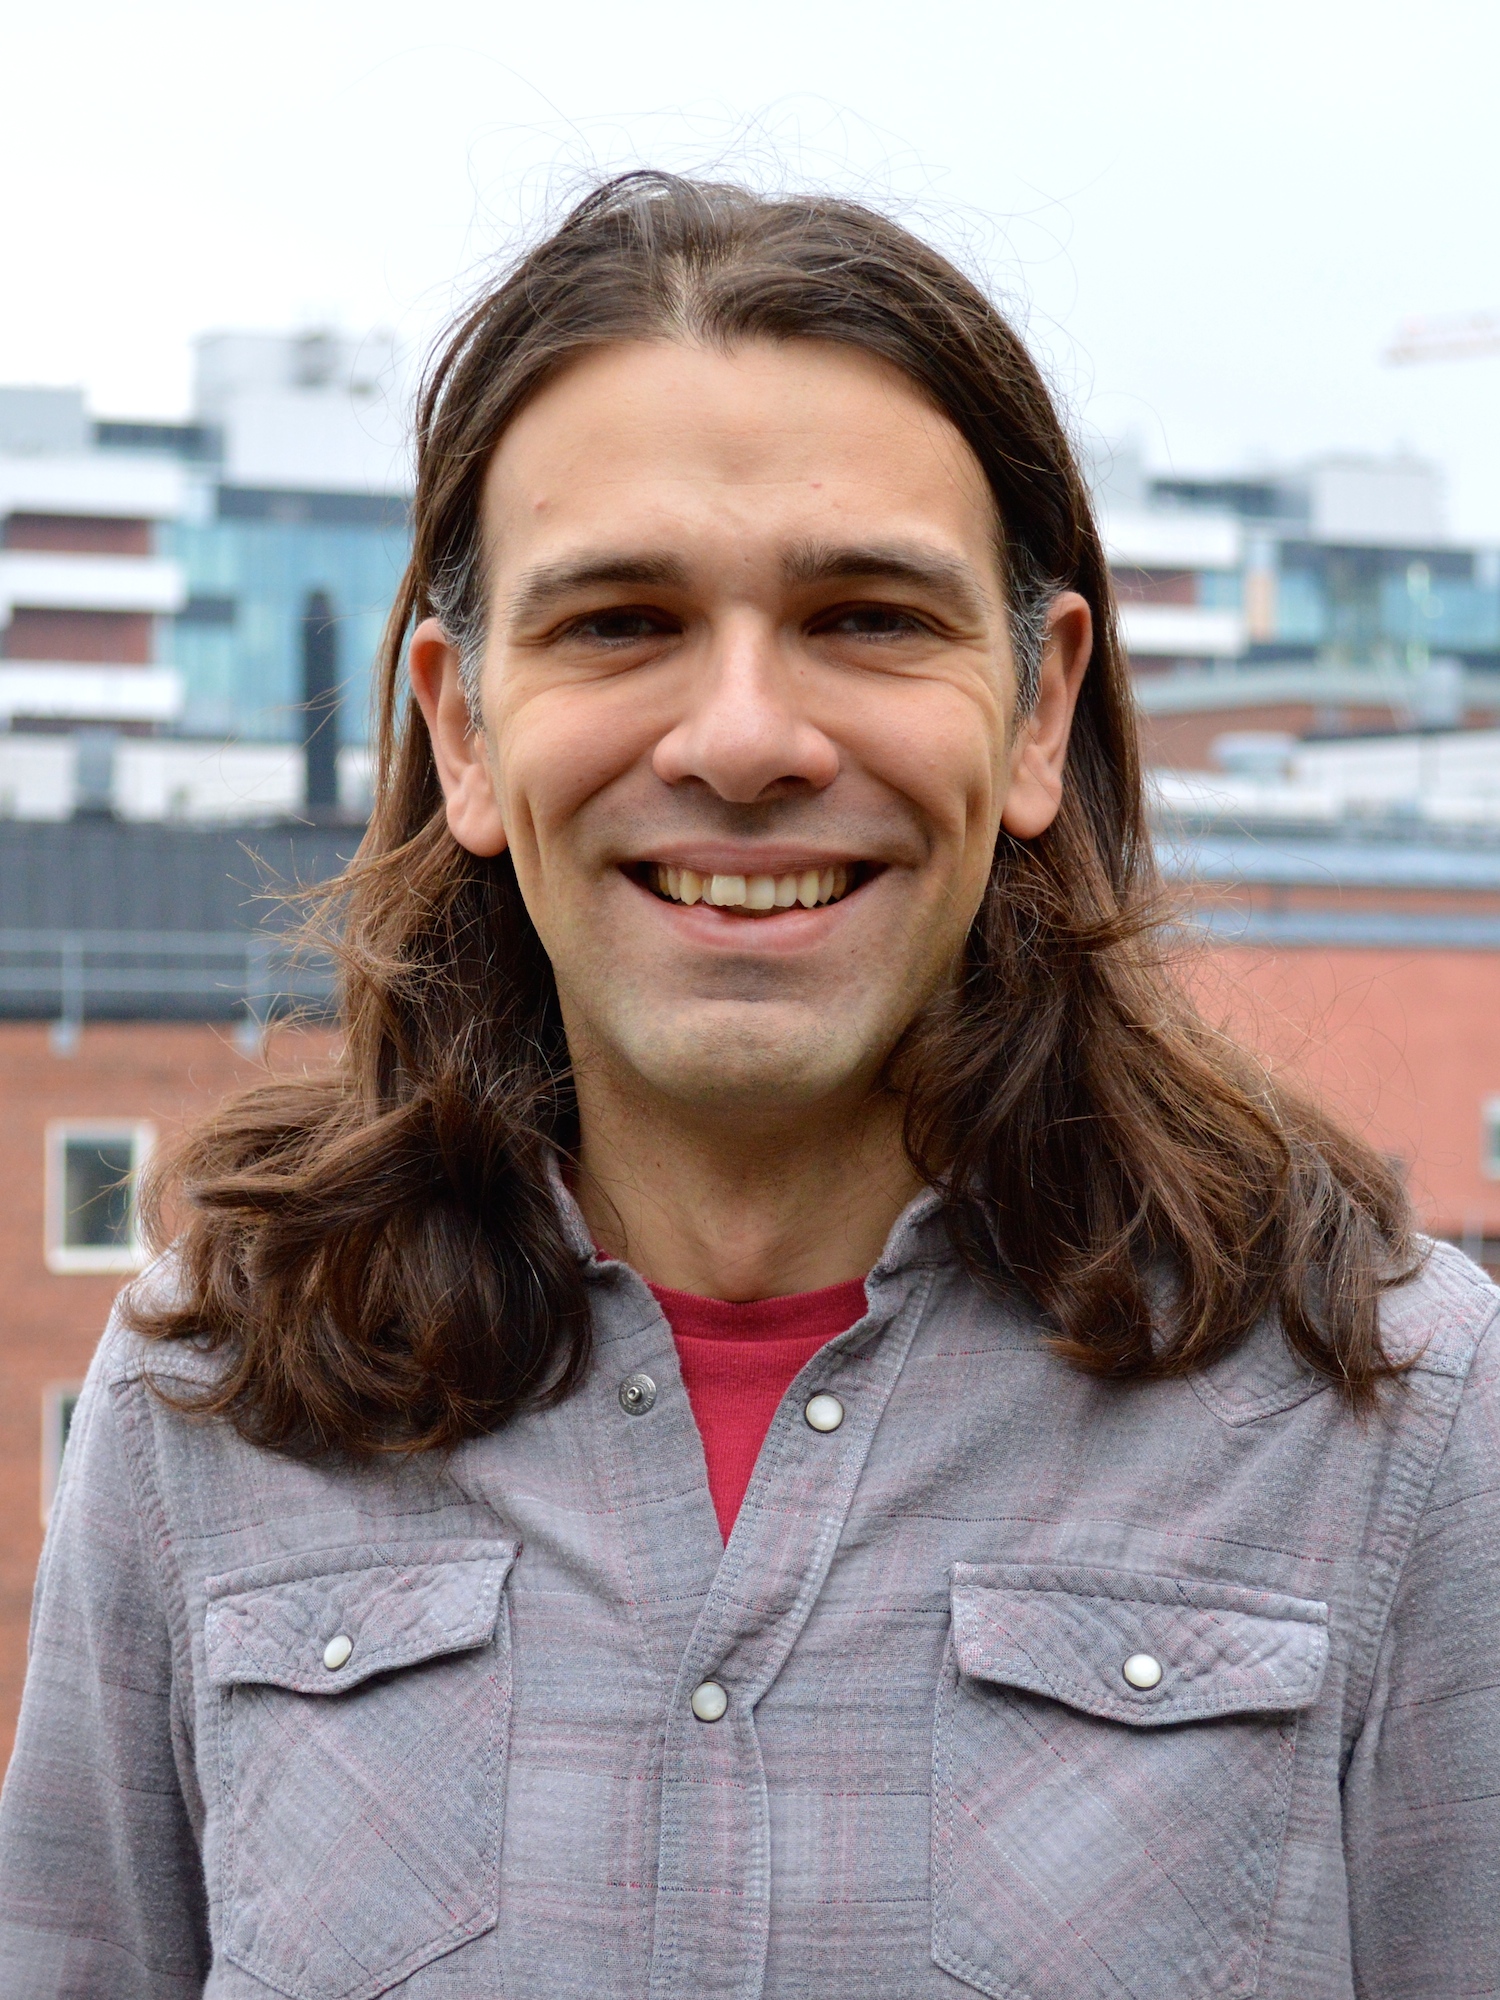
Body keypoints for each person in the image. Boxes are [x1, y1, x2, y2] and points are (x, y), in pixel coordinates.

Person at [1, 172, 1496, 2000]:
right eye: (619, 622)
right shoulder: (217, 1396)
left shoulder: (1393, 1416)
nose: (743, 742)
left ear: (1039, 710)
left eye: (866, 618)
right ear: (462, 728)